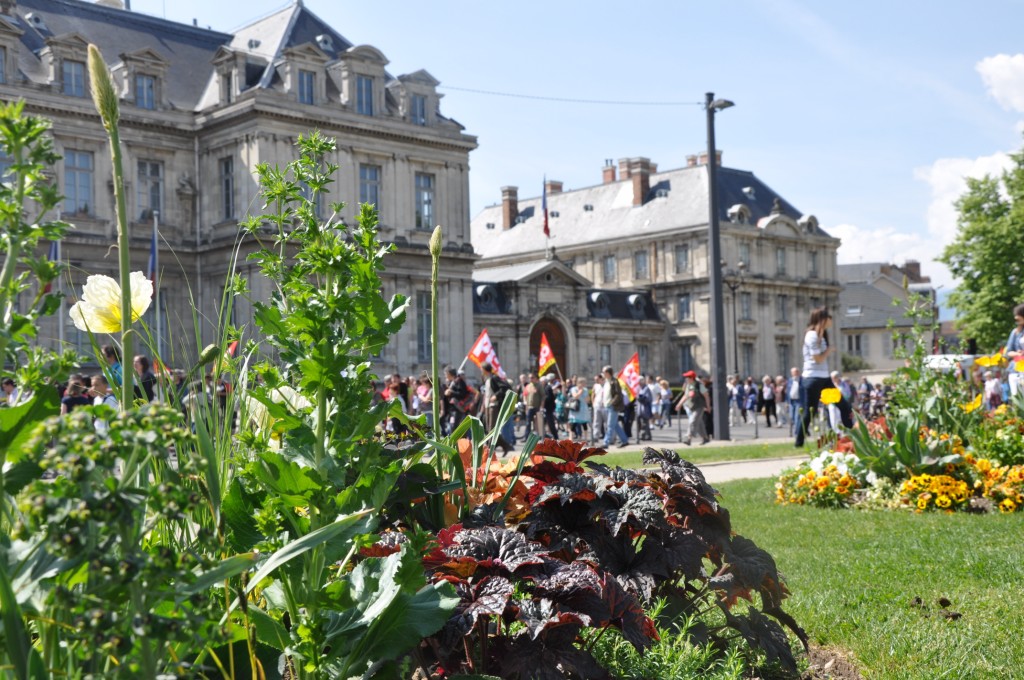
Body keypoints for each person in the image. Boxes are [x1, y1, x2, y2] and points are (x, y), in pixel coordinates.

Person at [795, 307, 853, 447]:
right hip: (812, 379)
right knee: (810, 412)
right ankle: (799, 441)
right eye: (829, 317)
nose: (831, 320)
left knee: (844, 406)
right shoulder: (812, 335)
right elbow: (817, 359)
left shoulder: (822, 334)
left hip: (824, 379)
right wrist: (829, 350)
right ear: (823, 319)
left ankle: (852, 435)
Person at [675, 370, 709, 445]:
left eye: (687, 377)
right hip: (691, 406)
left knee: (693, 421)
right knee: (699, 423)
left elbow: (706, 395)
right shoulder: (688, 385)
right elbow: (685, 396)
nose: (686, 379)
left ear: (691, 378)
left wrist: (708, 406)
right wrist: (679, 404)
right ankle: (705, 438)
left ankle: (688, 438)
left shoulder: (699, 385)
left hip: (699, 406)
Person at [601, 365, 629, 448]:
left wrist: (612, 403)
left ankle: (606, 442)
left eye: (604, 372)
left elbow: (618, 394)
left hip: (612, 407)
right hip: (607, 406)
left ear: (607, 373)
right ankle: (624, 440)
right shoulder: (606, 382)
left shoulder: (614, 381)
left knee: (610, 425)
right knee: (615, 425)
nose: (603, 373)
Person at [1004, 303, 1024, 397]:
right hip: (1017, 369)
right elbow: (1009, 351)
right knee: (1017, 396)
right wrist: (1017, 353)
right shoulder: (1015, 332)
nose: (1016, 319)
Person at [567, 376, 591, 441]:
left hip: (583, 409)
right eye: (583, 383)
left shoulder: (585, 390)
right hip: (576, 409)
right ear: (579, 383)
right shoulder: (573, 389)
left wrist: (587, 396)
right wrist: (580, 391)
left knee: (584, 424)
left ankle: (585, 439)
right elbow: (575, 396)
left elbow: (587, 400)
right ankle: (570, 439)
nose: (584, 385)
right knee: (573, 424)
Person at [635, 376, 653, 441]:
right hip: (640, 408)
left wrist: (642, 398)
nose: (639, 382)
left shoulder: (646, 388)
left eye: (640, 381)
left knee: (645, 422)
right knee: (642, 423)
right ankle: (647, 436)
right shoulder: (639, 388)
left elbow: (649, 398)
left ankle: (644, 435)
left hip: (645, 409)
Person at [785, 367, 802, 436]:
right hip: (791, 401)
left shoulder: (801, 380)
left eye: (796, 372)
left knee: (797, 417)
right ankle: (801, 430)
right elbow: (788, 391)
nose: (795, 373)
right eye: (793, 372)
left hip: (799, 401)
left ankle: (797, 432)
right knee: (792, 417)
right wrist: (787, 402)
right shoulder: (790, 380)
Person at [591, 373, 607, 443]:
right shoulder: (595, 385)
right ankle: (595, 436)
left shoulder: (606, 384)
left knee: (607, 423)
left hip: (605, 406)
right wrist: (593, 403)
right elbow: (593, 394)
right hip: (597, 405)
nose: (597, 380)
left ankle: (609, 437)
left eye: (600, 378)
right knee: (596, 422)